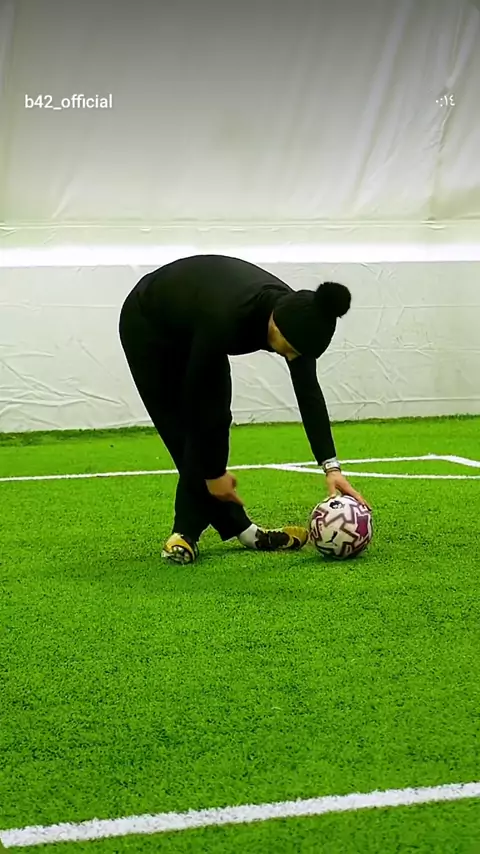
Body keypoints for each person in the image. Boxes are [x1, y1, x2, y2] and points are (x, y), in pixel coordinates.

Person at [119, 254, 370, 565]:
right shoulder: (225, 318)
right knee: (185, 428)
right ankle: (186, 532)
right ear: (275, 324)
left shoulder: (300, 316)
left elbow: (309, 395)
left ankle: (242, 530)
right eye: (291, 350)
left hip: (194, 321)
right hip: (148, 323)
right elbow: (198, 403)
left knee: (217, 420)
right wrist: (214, 474)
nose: (292, 358)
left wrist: (332, 468)